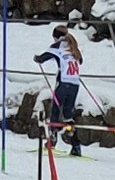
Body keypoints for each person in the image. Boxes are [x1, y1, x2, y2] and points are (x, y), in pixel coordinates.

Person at [34, 25, 84, 157]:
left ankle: (52, 141)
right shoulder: (73, 46)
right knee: (68, 114)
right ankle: (76, 145)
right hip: (75, 84)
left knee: (55, 110)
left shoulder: (58, 46)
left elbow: (42, 58)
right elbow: (80, 61)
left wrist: (36, 58)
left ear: (55, 36)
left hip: (63, 83)